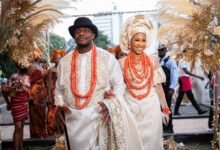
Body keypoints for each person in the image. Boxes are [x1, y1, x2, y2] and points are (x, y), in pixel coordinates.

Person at [54, 17, 143, 149]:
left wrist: (111, 105)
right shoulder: (64, 61)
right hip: (72, 119)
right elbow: (59, 90)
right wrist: (58, 109)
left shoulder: (107, 58)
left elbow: (119, 85)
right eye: (78, 31)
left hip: (98, 116)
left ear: (93, 35)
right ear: (74, 36)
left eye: (86, 31)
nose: (81, 33)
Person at [118, 14, 170, 149]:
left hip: (151, 106)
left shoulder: (153, 61)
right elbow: (119, 89)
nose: (141, 44)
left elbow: (158, 87)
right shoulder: (120, 64)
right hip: (129, 107)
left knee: (152, 141)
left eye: (143, 40)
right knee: (132, 141)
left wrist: (165, 108)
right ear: (129, 42)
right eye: (137, 40)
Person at [2, 63, 30, 150]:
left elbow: (29, 92)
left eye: (25, 65)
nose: (24, 66)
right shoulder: (14, 76)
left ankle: (21, 148)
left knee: (21, 127)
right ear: (17, 67)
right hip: (16, 104)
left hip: (25, 104)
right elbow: (4, 90)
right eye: (22, 65)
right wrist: (8, 103)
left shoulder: (28, 77)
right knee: (17, 127)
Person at [28, 48, 48, 138]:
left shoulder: (41, 66)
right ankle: (36, 134)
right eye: (41, 54)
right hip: (34, 91)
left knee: (42, 112)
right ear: (36, 55)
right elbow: (28, 82)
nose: (42, 56)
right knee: (35, 112)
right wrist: (29, 95)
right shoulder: (32, 66)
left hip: (42, 91)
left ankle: (42, 132)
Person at [158, 46, 178, 133]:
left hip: (167, 88)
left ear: (166, 51)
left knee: (167, 108)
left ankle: (169, 127)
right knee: (160, 108)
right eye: (159, 51)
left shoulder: (171, 61)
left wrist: (172, 87)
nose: (160, 52)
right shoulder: (158, 61)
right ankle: (163, 126)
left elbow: (174, 74)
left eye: (162, 50)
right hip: (160, 88)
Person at [46, 49, 66, 136]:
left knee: (62, 110)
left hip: (63, 92)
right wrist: (49, 96)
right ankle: (58, 130)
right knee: (55, 111)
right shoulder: (51, 70)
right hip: (54, 92)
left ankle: (63, 129)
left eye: (60, 58)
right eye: (56, 58)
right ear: (53, 59)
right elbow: (49, 83)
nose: (58, 60)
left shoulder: (65, 69)